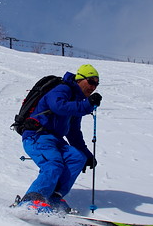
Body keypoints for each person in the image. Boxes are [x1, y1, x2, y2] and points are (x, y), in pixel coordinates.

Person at [16, 64, 102, 214]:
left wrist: (87, 156)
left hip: (54, 140)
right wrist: (86, 105)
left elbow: (74, 133)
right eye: (91, 81)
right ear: (79, 79)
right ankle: (31, 201)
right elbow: (58, 106)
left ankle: (53, 197)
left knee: (76, 157)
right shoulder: (63, 89)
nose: (93, 86)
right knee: (53, 163)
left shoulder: (77, 103)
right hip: (36, 135)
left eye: (97, 83)